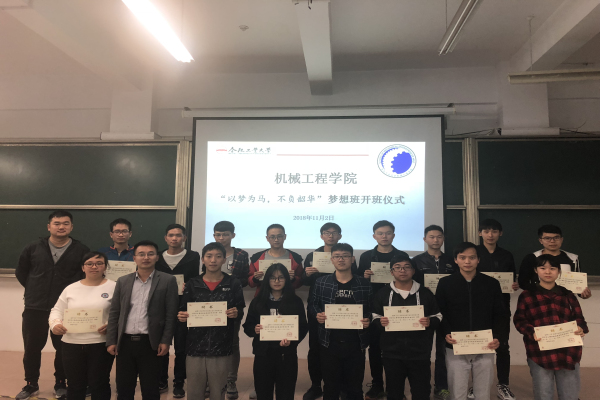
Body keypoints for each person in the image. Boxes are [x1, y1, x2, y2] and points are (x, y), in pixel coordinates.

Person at [15, 210, 90, 400]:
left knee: (64, 348)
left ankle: (61, 383)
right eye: (57, 223)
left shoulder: (82, 250)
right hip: (35, 307)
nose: (61, 227)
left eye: (65, 223)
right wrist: (35, 289)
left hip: (66, 309)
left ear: (71, 227)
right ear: (49, 227)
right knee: (32, 348)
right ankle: (31, 384)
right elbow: (21, 272)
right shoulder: (33, 248)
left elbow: (85, 277)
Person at [106, 240, 179, 400]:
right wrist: (111, 340)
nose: (146, 257)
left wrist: (166, 340)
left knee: (151, 389)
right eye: (141, 254)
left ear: (157, 257)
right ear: (134, 258)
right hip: (125, 342)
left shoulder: (168, 280)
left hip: (151, 343)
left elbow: (171, 314)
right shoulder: (123, 281)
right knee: (124, 388)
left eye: (150, 254)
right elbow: (115, 312)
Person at [435, 242, 509, 400]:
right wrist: (446, 333)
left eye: (472, 257)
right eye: (462, 257)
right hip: (456, 344)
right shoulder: (445, 283)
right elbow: (441, 313)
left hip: (485, 345)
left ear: (478, 260)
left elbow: (500, 314)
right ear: (456, 260)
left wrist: (498, 337)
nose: (467, 261)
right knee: (457, 391)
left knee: (483, 392)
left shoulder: (491, 283)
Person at [513, 255, 588, 400]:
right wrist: (531, 332)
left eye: (552, 268)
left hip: (568, 351)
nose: (548, 272)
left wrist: (580, 328)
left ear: (559, 272)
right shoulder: (527, 295)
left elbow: (579, 318)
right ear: (536, 270)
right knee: (543, 393)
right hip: (539, 352)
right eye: (543, 268)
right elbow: (519, 320)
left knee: (570, 394)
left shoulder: (568, 294)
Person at [177, 242, 245, 400]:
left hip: (222, 346)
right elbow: (183, 310)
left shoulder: (233, 283)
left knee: (218, 392)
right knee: (194, 392)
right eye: (209, 256)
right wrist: (181, 316)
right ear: (203, 259)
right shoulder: (193, 283)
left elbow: (240, 309)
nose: (213, 260)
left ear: (224, 260)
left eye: (218, 256)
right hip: (195, 347)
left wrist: (236, 313)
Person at [372, 254, 442, 400]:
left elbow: (438, 315)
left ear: (413, 271)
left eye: (406, 267)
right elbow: (374, 316)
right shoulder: (382, 293)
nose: (402, 270)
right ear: (392, 272)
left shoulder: (425, 293)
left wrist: (430, 322)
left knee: (421, 392)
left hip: (420, 353)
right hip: (391, 353)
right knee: (394, 392)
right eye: (397, 267)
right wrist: (380, 322)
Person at [48, 252, 116, 400]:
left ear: (105, 267)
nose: (94, 266)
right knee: (75, 384)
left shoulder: (114, 287)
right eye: (89, 263)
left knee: (99, 383)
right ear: (83, 267)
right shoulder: (71, 288)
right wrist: (55, 324)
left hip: (100, 343)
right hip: (71, 344)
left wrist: (110, 325)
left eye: (99, 263)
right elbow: (56, 310)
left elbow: (122, 313)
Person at [301, 223, 357, 400]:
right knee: (316, 347)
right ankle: (316, 385)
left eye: (334, 233)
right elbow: (304, 282)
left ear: (340, 236)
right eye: (327, 233)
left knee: (342, 346)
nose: (331, 236)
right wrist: (307, 274)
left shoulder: (346, 255)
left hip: (343, 307)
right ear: (321, 236)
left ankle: (341, 386)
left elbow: (354, 277)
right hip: (318, 306)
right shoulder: (312, 255)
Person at [309, 243, 371, 400]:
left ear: (353, 259)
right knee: (330, 386)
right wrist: (317, 315)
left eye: (345, 256)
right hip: (329, 341)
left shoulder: (364, 283)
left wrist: (368, 319)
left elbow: (371, 308)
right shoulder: (321, 282)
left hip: (356, 341)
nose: (341, 259)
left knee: (355, 386)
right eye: (337, 256)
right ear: (331, 259)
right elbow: (313, 304)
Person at [357, 220, 409, 400]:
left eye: (388, 233)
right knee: (375, 348)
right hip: (374, 305)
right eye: (380, 233)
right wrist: (364, 276)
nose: (384, 236)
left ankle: (396, 388)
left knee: (397, 348)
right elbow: (358, 281)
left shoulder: (402, 255)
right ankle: (377, 384)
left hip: (397, 306)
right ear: (374, 236)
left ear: (393, 235)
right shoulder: (366, 256)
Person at [243, 264, 309, 400]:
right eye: (273, 278)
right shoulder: (257, 302)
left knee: (286, 393)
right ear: (267, 280)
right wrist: (254, 329)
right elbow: (247, 326)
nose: (277, 281)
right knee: (263, 393)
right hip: (263, 354)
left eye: (281, 278)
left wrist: (292, 341)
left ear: (287, 280)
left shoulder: (295, 302)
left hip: (287, 355)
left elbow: (303, 327)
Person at [154, 223, 201, 397]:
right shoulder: (157, 257)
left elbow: (197, 279)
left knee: (181, 347)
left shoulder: (193, 256)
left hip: (184, 306)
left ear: (185, 238)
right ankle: (161, 380)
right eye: (171, 235)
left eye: (178, 235)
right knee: (161, 345)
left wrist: (191, 285)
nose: (175, 238)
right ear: (166, 238)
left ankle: (179, 382)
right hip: (162, 306)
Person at [475, 219, 519, 400]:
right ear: (480, 233)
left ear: (500, 233)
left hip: (501, 306)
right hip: (477, 306)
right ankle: (476, 385)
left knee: (502, 346)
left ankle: (503, 384)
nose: (490, 235)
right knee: (477, 346)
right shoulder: (473, 253)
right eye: (486, 231)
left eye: (494, 231)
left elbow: (512, 278)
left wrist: (514, 284)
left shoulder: (506, 255)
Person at [411, 224, 454, 400]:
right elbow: (411, 284)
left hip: (447, 309)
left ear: (443, 239)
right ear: (425, 239)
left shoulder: (452, 260)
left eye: (439, 236)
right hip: (425, 310)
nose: (435, 240)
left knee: (443, 350)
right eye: (431, 236)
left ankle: (441, 386)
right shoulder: (416, 261)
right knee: (423, 350)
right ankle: (423, 386)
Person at [213, 221, 250, 399]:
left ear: (232, 235)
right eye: (218, 234)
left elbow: (245, 280)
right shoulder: (210, 251)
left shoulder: (241, 254)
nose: (221, 238)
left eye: (225, 234)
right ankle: (211, 379)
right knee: (210, 340)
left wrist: (230, 281)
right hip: (212, 303)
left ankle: (231, 380)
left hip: (233, 302)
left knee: (232, 342)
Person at [518, 225, 591, 299]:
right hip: (539, 300)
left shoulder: (573, 258)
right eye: (547, 238)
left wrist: (583, 293)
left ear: (561, 239)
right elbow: (523, 282)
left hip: (564, 300)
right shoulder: (532, 258)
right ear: (540, 241)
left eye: (556, 237)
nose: (552, 241)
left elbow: (577, 284)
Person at [248, 224, 304, 295]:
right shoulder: (256, 258)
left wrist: (293, 279)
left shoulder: (296, 258)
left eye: (279, 236)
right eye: (272, 237)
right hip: (263, 297)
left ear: (285, 237)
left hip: (287, 297)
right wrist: (255, 278)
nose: (276, 240)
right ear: (267, 238)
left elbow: (300, 283)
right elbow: (250, 283)